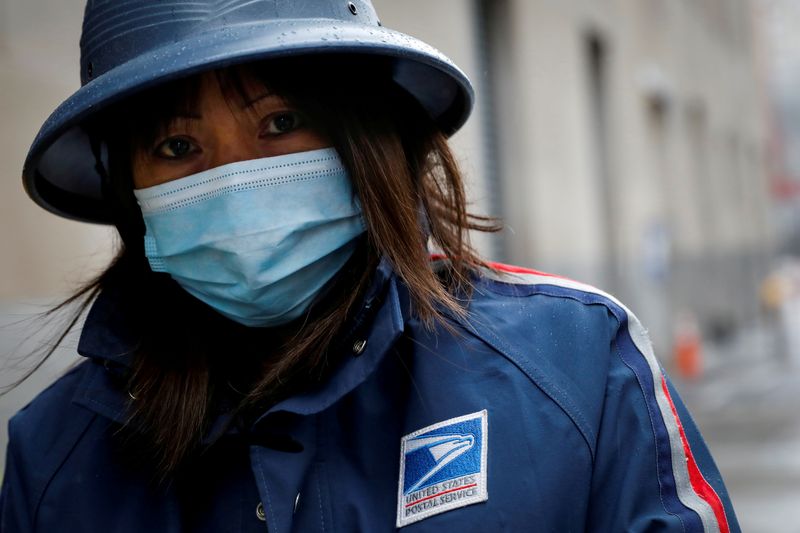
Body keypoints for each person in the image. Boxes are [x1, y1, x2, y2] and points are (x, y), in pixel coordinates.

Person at [1, 1, 739, 531]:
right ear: (131, 193)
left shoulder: (575, 365)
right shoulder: (56, 457)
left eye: (280, 123)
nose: (232, 178)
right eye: (175, 147)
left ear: (365, 141)